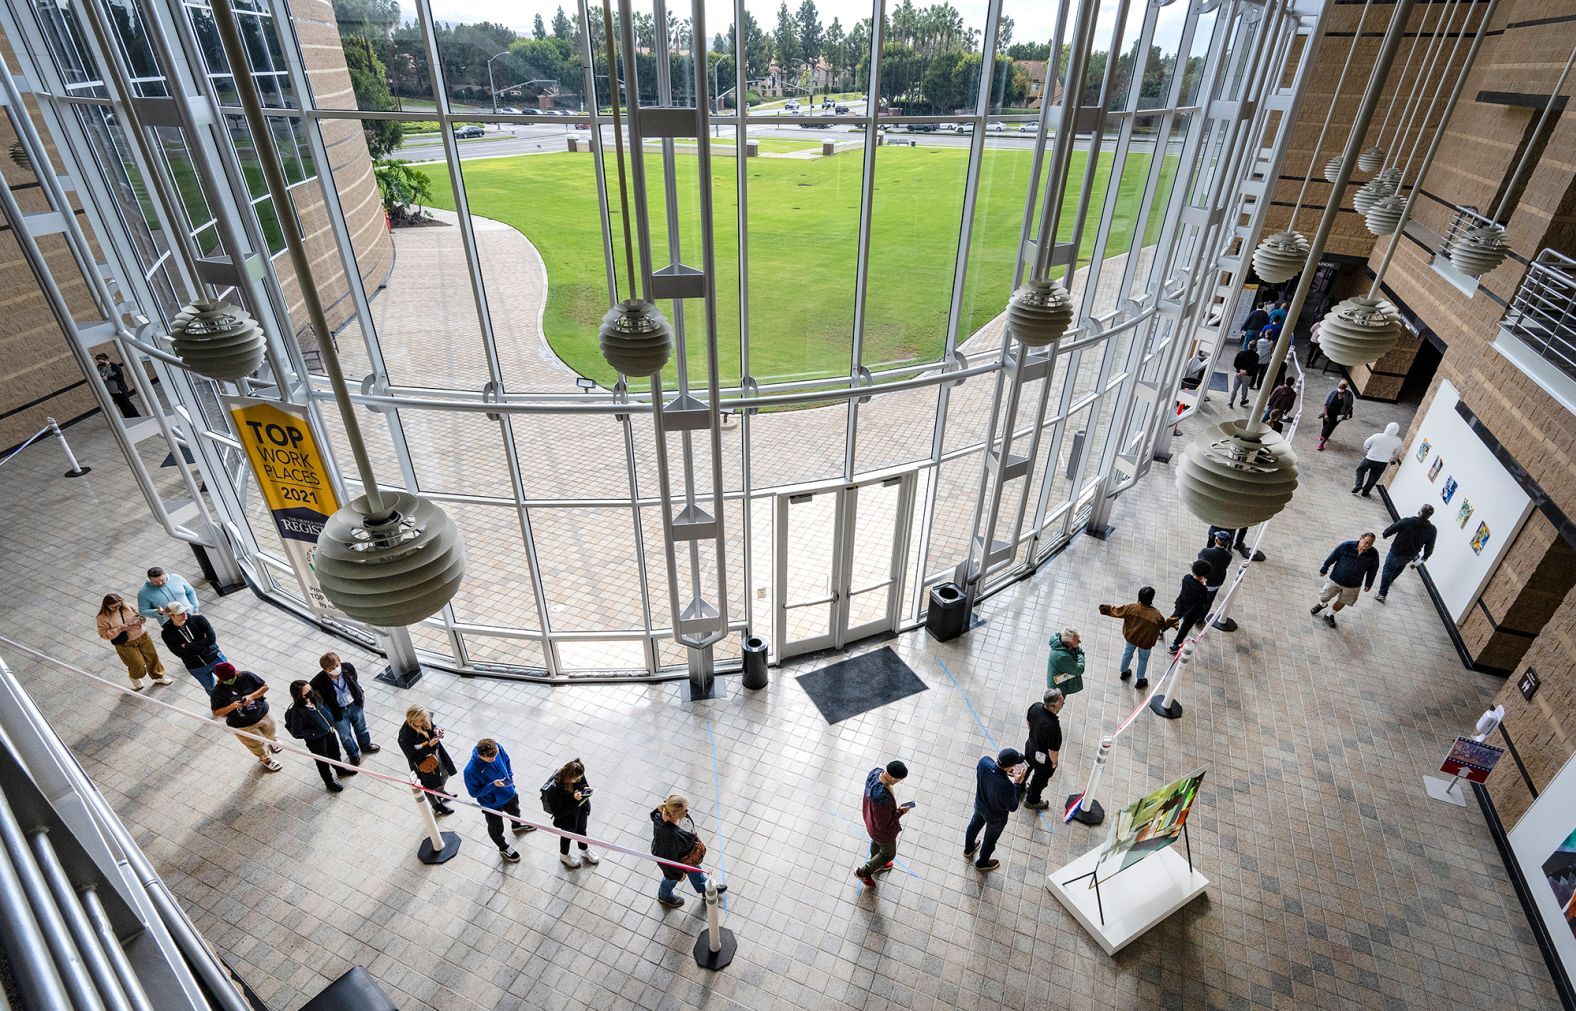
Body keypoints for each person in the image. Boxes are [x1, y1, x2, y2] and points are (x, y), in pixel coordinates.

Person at [464, 738, 535, 862]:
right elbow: (473, 793)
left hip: (509, 793)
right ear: (481, 755)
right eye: (490, 759)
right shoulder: (470, 771)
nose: (494, 760)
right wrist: (492, 785)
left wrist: (510, 777)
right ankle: (503, 847)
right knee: (495, 828)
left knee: (516, 812)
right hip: (491, 804)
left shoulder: (497, 747)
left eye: (495, 756)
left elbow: (506, 760)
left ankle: (517, 825)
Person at [650, 794, 726, 908]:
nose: (687, 811)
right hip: (679, 858)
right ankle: (664, 896)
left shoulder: (670, 811)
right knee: (670, 878)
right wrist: (678, 874)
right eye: (684, 810)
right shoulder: (667, 835)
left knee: (695, 870)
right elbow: (666, 859)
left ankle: (704, 889)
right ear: (674, 813)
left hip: (687, 855)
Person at [209, 662, 283, 771]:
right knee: (255, 744)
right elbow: (216, 712)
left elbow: (265, 687)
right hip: (241, 724)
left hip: (262, 712)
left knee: (271, 729)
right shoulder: (218, 692)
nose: (231, 680)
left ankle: (273, 741)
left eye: (233, 677)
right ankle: (266, 759)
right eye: (228, 679)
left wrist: (252, 696)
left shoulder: (247, 676)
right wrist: (232, 706)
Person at [1099, 588, 1177, 690]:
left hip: (1131, 638)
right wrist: (1173, 621)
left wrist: (1105, 608)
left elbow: (1117, 611)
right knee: (1143, 660)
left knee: (1127, 654)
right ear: (1151, 598)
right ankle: (1140, 680)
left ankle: (1124, 672)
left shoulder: (1131, 607)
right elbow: (1163, 626)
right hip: (1146, 643)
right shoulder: (1156, 615)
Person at [964, 748, 1028, 872]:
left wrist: (1004, 772)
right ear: (1010, 767)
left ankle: (968, 849)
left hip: (980, 804)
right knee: (990, 840)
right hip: (996, 817)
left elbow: (993, 772)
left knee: (973, 825)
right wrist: (1017, 783)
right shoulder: (1007, 787)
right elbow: (1013, 806)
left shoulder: (984, 762)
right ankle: (982, 864)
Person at [310, 653, 379, 765]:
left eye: (337, 665)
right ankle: (353, 754)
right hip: (338, 712)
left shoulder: (347, 668)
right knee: (345, 735)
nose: (336, 669)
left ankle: (366, 745)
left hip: (354, 705)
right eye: (331, 668)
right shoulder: (318, 681)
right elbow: (316, 697)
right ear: (325, 669)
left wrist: (359, 696)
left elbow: (354, 681)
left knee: (361, 727)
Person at [96, 593, 172, 691]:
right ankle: (135, 676)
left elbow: (142, 617)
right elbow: (103, 634)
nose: (117, 608)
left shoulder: (128, 606)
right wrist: (120, 629)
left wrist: (139, 621)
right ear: (106, 606)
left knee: (152, 657)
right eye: (113, 607)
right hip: (125, 643)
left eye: (119, 605)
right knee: (137, 664)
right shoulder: (102, 617)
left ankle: (158, 676)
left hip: (142, 636)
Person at [284, 681, 350, 793]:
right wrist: (316, 732)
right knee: (322, 761)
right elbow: (297, 732)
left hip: (329, 732)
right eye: (307, 691)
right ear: (299, 695)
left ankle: (340, 769)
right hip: (316, 740)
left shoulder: (315, 698)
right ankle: (329, 781)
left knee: (335, 753)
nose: (311, 692)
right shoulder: (298, 712)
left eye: (310, 689)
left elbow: (324, 709)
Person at [855, 760, 910, 887]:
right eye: (897, 780)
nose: (897, 782)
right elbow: (884, 824)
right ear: (891, 776)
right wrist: (900, 811)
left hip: (870, 822)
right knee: (889, 853)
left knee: (876, 842)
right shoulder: (882, 799)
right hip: (882, 832)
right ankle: (864, 872)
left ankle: (877, 862)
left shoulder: (875, 774)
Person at [1311, 532, 1380, 628]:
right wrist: (1324, 568)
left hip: (1353, 585)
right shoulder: (1347, 546)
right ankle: (1322, 604)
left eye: (1370, 544)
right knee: (1324, 596)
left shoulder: (1374, 554)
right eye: (1366, 542)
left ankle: (1329, 615)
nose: (1367, 545)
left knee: (1343, 601)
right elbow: (1333, 556)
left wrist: (1369, 583)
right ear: (1361, 538)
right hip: (1335, 578)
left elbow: (1373, 570)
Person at [398, 706, 455, 816]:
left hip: (437, 753)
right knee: (429, 785)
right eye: (422, 720)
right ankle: (436, 805)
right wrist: (429, 746)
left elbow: (432, 726)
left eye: (426, 718)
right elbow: (412, 756)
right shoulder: (405, 736)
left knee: (445, 773)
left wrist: (436, 730)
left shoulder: (425, 718)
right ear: (413, 720)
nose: (425, 721)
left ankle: (440, 792)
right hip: (423, 762)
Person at [543, 759, 600, 869]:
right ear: (569, 777)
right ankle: (564, 855)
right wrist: (574, 800)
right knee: (567, 836)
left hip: (581, 811)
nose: (579, 779)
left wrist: (584, 789)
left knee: (582, 830)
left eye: (580, 777)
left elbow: (583, 783)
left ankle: (584, 850)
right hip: (567, 818)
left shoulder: (578, 772)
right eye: (576, 779)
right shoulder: (555, 790)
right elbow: (559, 812)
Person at [158, 601, 224, 693]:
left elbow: (211, 639)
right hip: (196, 666)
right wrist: (203, 643)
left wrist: (188, 646)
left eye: (184, 611)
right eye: (180, 613)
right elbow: (179, 652)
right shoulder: (167, 633)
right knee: (211, 690)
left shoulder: (199, 620)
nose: (184, 614)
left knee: (232, 681)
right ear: (171, 616)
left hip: (215, 658)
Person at [1377, 505, 1437, 603]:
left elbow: (1393, 527)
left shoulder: (1407, 521)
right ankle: (1390, 581)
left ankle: (1382, 593)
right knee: (1400, 566)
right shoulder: (1432, 530)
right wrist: (1426, 556)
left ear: (1419, 511)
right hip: (1410, 554)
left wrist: (1385, 534)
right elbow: (1430, 546)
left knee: (1388, 569)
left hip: (1396, 551)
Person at [1022, 691, 1065, 810]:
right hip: (1042, 758)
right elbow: (1053, 751)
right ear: (1052, 706)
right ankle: (1032, 800)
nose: (1063, 703)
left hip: (1030, 746)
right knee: (1039, 779)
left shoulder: (1035, 707)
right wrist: (1054, 763)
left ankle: (1019, 787)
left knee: (1026, 766)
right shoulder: (1053, 727)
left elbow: (1028, 721)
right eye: (1061, 703)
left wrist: (1035, 736)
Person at [1169, 560, 1214, 653]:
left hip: (1181, 604)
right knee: (1185, 628)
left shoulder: (1186, 578)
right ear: (1205, 574)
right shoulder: (1202, 589)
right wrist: (1204, 585)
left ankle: (1161, 630)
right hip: (1192, 612)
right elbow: (1205, 601)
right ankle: (1174, 645)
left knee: (1174, 617)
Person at [1353, 422, 1403, 497]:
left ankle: (1358, 484)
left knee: (1360, 469)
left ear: (1387, 428)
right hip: (1382, 462)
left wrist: (1367, 450)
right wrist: (1393, 460)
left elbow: (1366, 444)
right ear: (1396, 431)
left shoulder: (1377, 436)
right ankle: (1365, 492)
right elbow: (1396, 453)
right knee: (1374, 477)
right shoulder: (1398, 441)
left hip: (1370, 458)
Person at [95, 353, 140, 418]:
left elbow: (120, 377)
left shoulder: (114, 366)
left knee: (127, 403)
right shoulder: (99, 367)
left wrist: (108, 378)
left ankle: (136, 416)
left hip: (120, 389)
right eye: (98, 362)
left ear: (106, 360)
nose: (99, 363)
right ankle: (128, 417)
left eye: (100, 362)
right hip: (112, 390)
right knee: (121, 405)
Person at [1045, 627, 1084, 695]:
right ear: (1068, 643)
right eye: (1077, 640)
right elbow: (1079, 669)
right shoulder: (1062, 657)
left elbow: (1076, 649)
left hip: (1060, 681)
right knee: (1058, 703)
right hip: (1058, 689)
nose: (1080, 641)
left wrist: (1077, 649)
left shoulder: (1063, 642)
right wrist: (1080, 655)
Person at [1317, 381, 1354, 451]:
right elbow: (1326, 404)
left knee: (1329, 428)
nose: (1340, 388)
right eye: (1339, 387)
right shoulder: (1333, 392)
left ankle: (1322, 443)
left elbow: (1349, 406)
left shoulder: (1349, 395)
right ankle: (1324, 435)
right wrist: (1326, 414)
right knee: (1325, 426)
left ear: (1345, 388)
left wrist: (1345, 415)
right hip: (1328, 413)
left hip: (1338, 416)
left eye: (1342, 387)